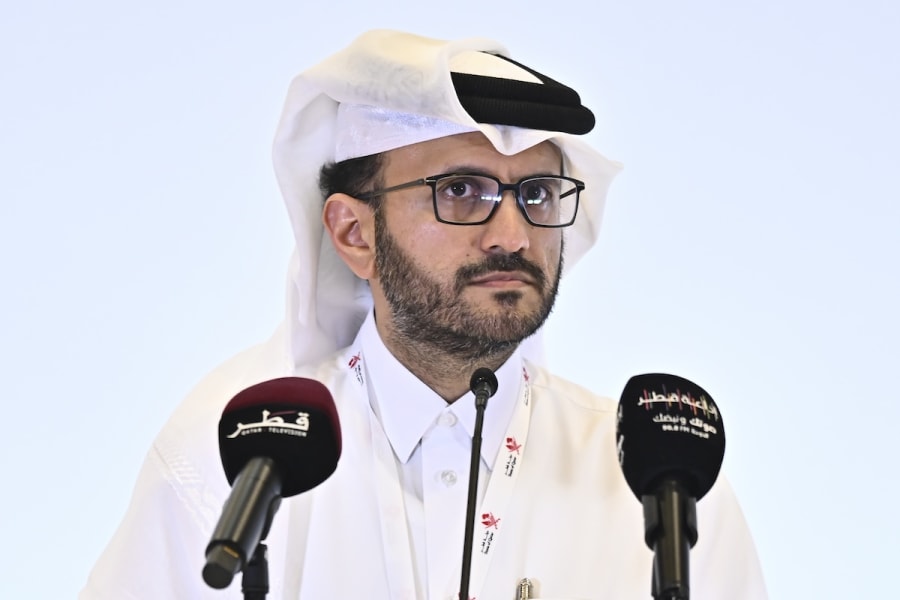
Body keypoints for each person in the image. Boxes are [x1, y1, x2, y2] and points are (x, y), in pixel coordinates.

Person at [80, 30, 767, 599]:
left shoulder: (661, 488)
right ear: (354, 234)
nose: (511, 235)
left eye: (536, 194)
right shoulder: (236, 468)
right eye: (462, 191)